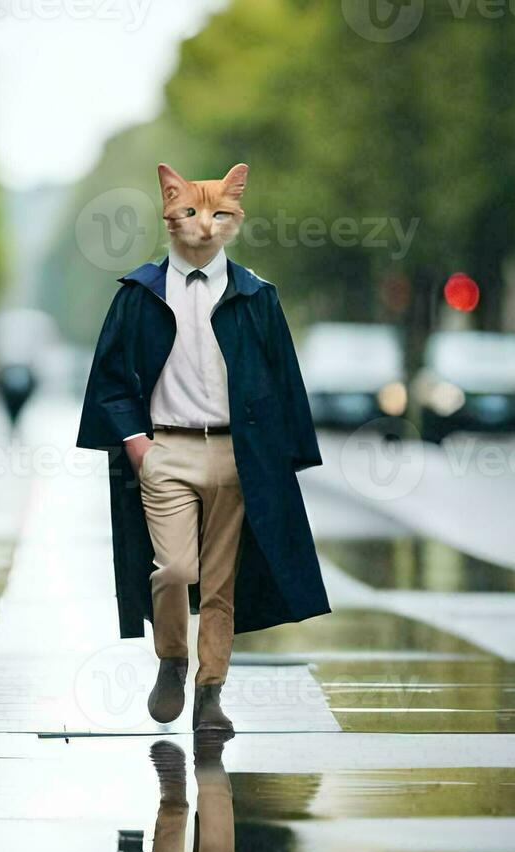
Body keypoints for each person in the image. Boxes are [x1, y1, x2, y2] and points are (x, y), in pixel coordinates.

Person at [77, 163, 330, 735]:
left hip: (237, 457)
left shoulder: (256, 296)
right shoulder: (139, 295)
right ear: (169, 211)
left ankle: (210, 690)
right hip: (166, 451)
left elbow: (283, 377)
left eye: (221, 213)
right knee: (172, 570)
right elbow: (112, 377)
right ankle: (172, 658)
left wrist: (281, 458)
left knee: (221, 585)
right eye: (192, 211)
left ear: (235, 219)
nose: (206, 225)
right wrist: (138, 445)